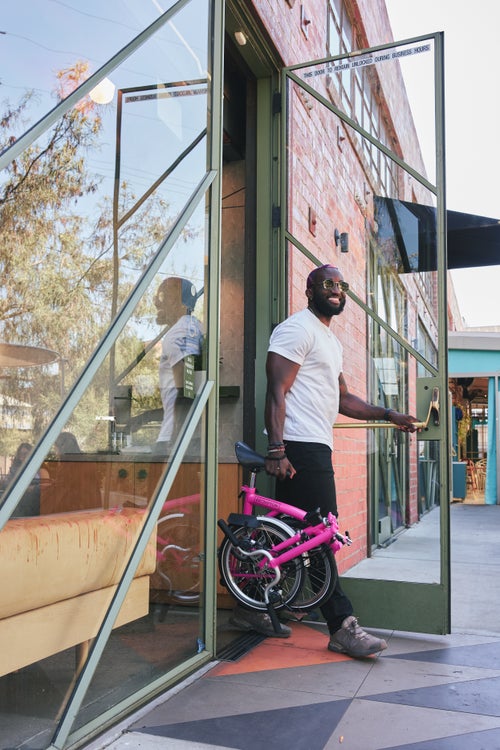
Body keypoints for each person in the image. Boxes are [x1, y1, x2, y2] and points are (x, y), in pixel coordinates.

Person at [231, 264, 418, 656]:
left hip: (316, 444)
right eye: (328, 284)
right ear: (309, 289)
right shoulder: (297, 329)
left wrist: (389, 414)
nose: (336, 290)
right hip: (300, 447)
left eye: (341, 285)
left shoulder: (330, 341)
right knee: (321, 536)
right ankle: (341, 625)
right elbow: (276, 391)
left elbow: (344, 399)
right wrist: (278, 449)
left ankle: (249, 603)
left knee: (288, 537)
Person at [153, 277, 204, 455]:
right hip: (186, 434)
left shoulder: (179, 333)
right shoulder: (196, 327)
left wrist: (176, 438)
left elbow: (185, 388)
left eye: (165, 296)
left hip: (173, 438)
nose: (158, 303)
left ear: (179, 303)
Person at [0, 442, 50, 517]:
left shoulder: (42, 470)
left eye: (26, 453)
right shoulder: (15, 472)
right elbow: (10, 485)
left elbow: (47, 486)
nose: (23, 457)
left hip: (38, 507)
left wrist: (32, 488)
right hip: (20, 507)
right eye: (21, 454)